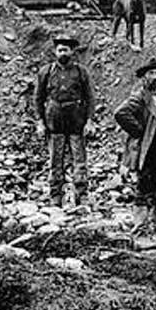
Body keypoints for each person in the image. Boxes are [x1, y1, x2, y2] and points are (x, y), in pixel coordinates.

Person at [114, 57, 156, 240]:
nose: (155, 76)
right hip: (150, 149)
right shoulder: (140, 97)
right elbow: (120, 113)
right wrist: (140, 131)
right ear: (144, 77)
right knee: (144, 190)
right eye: (151, 73)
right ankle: (139, 232)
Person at [33, 33, 97, 207]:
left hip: (76, 121)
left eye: (66, 50)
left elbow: (90, 97)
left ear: (72, 52)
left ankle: (81, 195)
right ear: (55, 52)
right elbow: (38, 98)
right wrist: (40, 121)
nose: (63, 53)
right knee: (55, 160)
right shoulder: (46, 72)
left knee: (79, 160)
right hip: (55, 121)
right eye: (60, 50)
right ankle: (55, 197)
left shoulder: (81, 71)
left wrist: (90, 120)